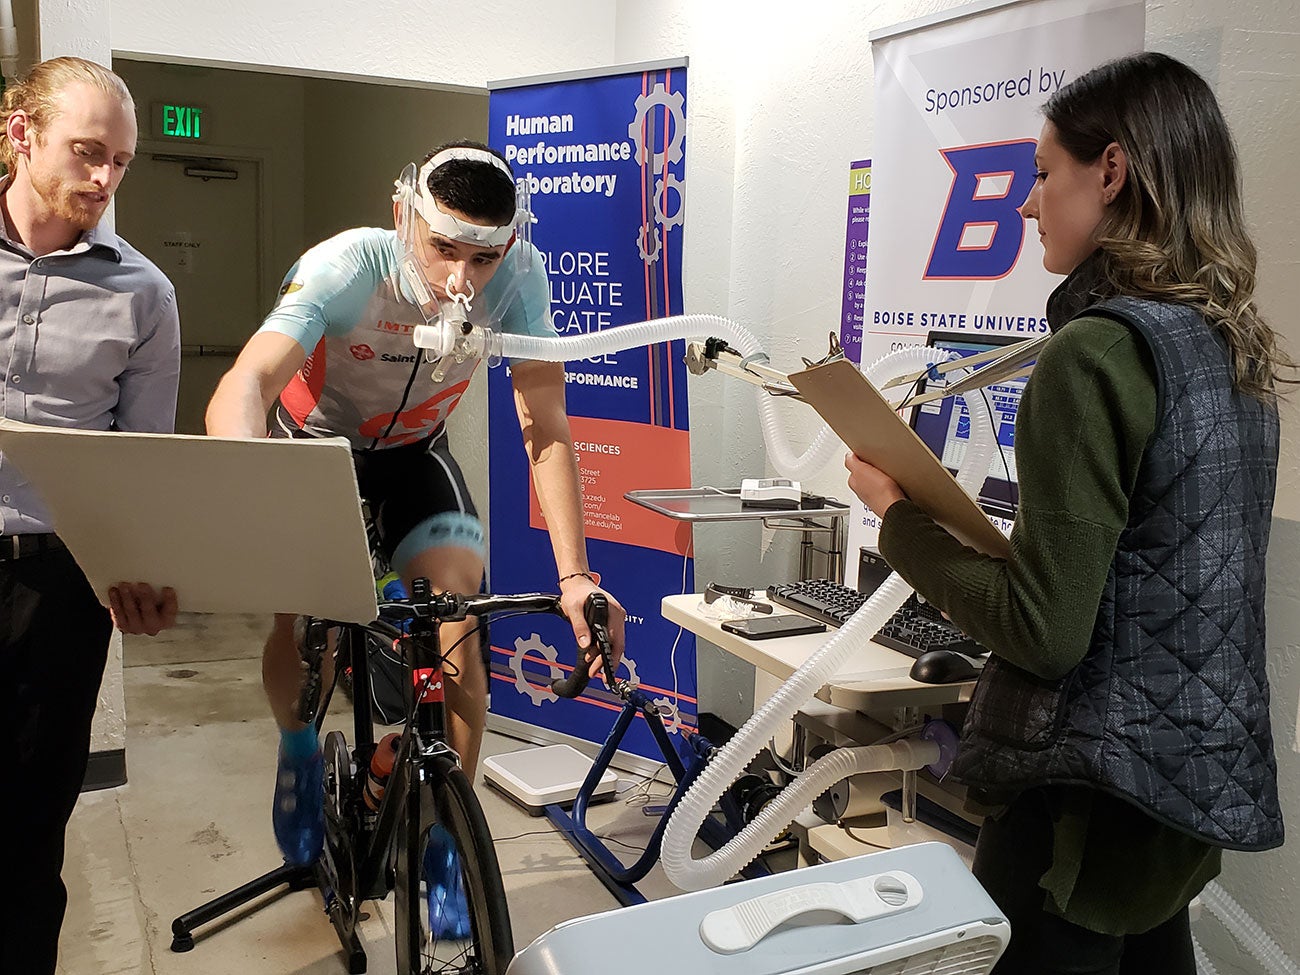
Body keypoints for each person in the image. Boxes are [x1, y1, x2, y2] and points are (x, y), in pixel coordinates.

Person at [846, 52, 1285, 974]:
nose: (1027, 202)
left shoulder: (1091, 356)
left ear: (1113, 171)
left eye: (1044, 174)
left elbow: (1045, 633)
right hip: (1181, 786)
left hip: (1084, 798)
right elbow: (1153, 572)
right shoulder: (1230, 348)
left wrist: (896, 514)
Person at [206, 141, 627, 931]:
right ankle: (298, 746)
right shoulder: (345, 267)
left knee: (460, 633)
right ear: (404, 216)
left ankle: (441, 833)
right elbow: (248, 384)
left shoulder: (522, 278)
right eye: (443, 249)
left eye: (484, 257)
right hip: (316, 449)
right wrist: (251, 494)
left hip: (413, 457)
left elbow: (548, 427)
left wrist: (576, 574)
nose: (461, 281)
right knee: (308, 635)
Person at [0, 57, 181, 975]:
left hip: (56, 587)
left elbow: (135, 469)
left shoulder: (144, 295)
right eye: (86, 153)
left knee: (30, 832)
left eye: (121, 162)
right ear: (18, 133)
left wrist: (137, 569)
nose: (105, 180)